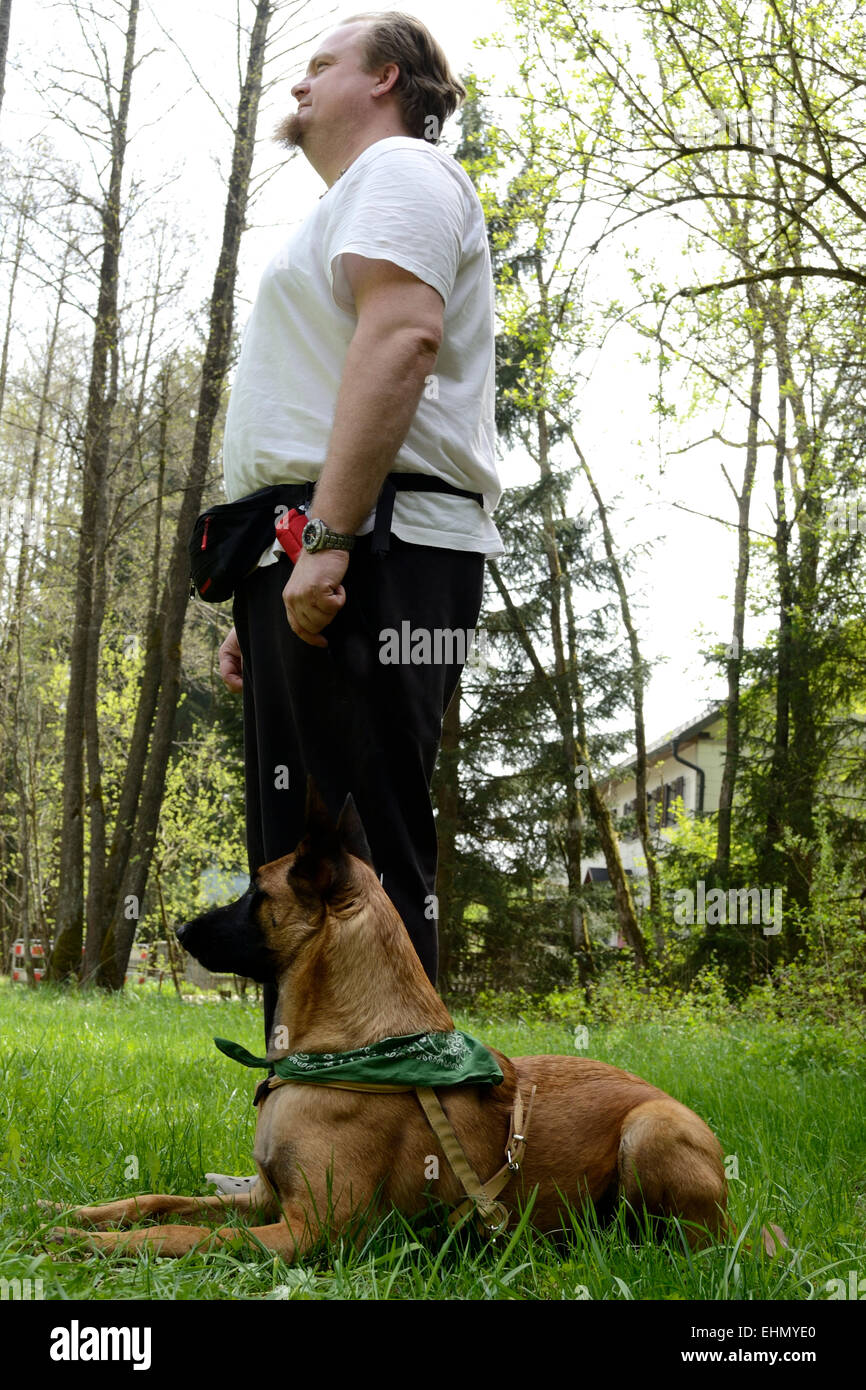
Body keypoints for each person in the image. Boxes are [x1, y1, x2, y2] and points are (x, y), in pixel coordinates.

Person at [216, 10, 502, 1057]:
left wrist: (328, 535)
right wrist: (271, 567)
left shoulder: (403, 174)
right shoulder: (352, 200)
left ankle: (409, 1146)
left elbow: (402, 335)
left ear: (385, 77)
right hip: (316, 547)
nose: (298, 87)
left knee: (360, 853)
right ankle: (316, 1138)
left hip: (377, 548)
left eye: (319, 66)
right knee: (305, 858)